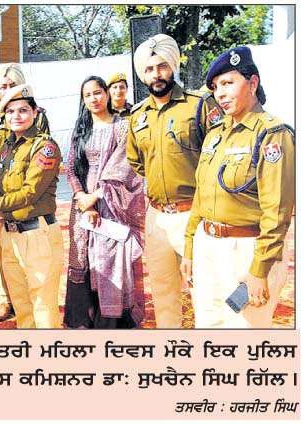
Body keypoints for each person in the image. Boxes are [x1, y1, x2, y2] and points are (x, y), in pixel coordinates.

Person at [181, 47, 294, 328]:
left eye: (228, 83)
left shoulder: (272, 134)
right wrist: (190, 248)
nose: (220, 94)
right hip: (207, 246)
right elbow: (201, 196)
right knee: (207, 328)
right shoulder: (215, 135)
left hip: (245, 250)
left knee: (245, 334)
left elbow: (277, 212)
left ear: (252, 83)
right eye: (216, 87)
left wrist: (259, 270)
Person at [126, 34, 221, 328]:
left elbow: (218, 155)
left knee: (204, 291)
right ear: (143, 74)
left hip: (195, 214)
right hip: (156, 217)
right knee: (163, 292)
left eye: (162, 66)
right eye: (149, 69)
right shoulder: (137, 115)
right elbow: (136, 160)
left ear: (173, 67)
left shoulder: (199, 105)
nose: (156, 74)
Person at [0, 84, 64, 328]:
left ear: (35, 113)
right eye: (10, 111)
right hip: (9, 234)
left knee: (43, 305)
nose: (16, 116)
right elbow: (2, 192)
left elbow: (29, 194)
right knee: (22, 306)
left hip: (37, 234)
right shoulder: (7, 147)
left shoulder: (45, 147)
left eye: (23, 110)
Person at [64, 76, 146, 329]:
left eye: (98, 92)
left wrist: (97, 196)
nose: (94, 99)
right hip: (83, 207)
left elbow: (125, 168)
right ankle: (85, 322)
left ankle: (112, 324)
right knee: (83, 258)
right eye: (87, 95)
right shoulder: (81, 129)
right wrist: (83, 199)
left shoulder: (123, 126)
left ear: (107, 94)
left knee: (112, 259)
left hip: (113, 205)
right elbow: (71, 168)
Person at [0, 63, 50, 323]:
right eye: (3, 86)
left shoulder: (38, 116)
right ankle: (4, 300)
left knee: (30, 252)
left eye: (12, 86)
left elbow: (41, 152)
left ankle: (28, 296)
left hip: (26, 196)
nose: (7, 90)